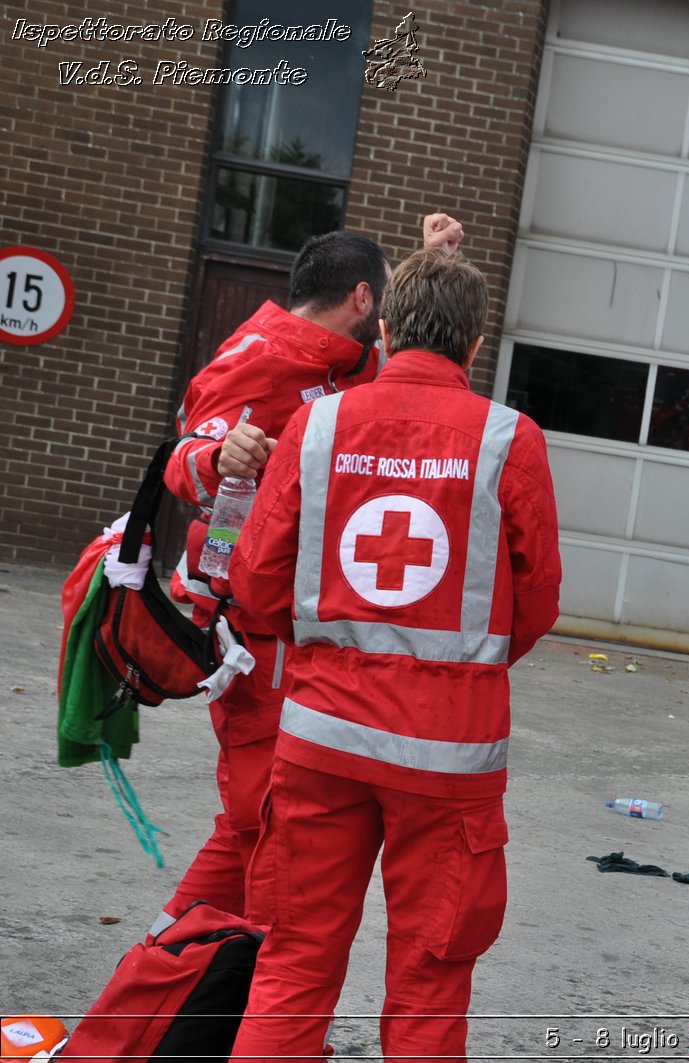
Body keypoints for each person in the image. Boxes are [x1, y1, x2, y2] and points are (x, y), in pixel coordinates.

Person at [225, 249, 561, 1060]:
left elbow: (259, 584)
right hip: (451, 754)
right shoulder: (510, 439)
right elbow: (537, 598)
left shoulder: (317, 426)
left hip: (320, 739)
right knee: (430, 979)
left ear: (383, 327)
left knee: (296, 958)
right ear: (477, 346)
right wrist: (463, 664)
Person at [151, 214, 463, 936]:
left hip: (288, 629)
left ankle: (175, 973)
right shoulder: (260, 357)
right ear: (362, 299)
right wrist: (217, 456)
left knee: (260, 823)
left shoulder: (340, 359)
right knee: (264, 820)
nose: (390, 317)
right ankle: (206, 982)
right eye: (387, 298)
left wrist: (432, 262)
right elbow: (184, 454)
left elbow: (407, 365)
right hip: (249, 634)